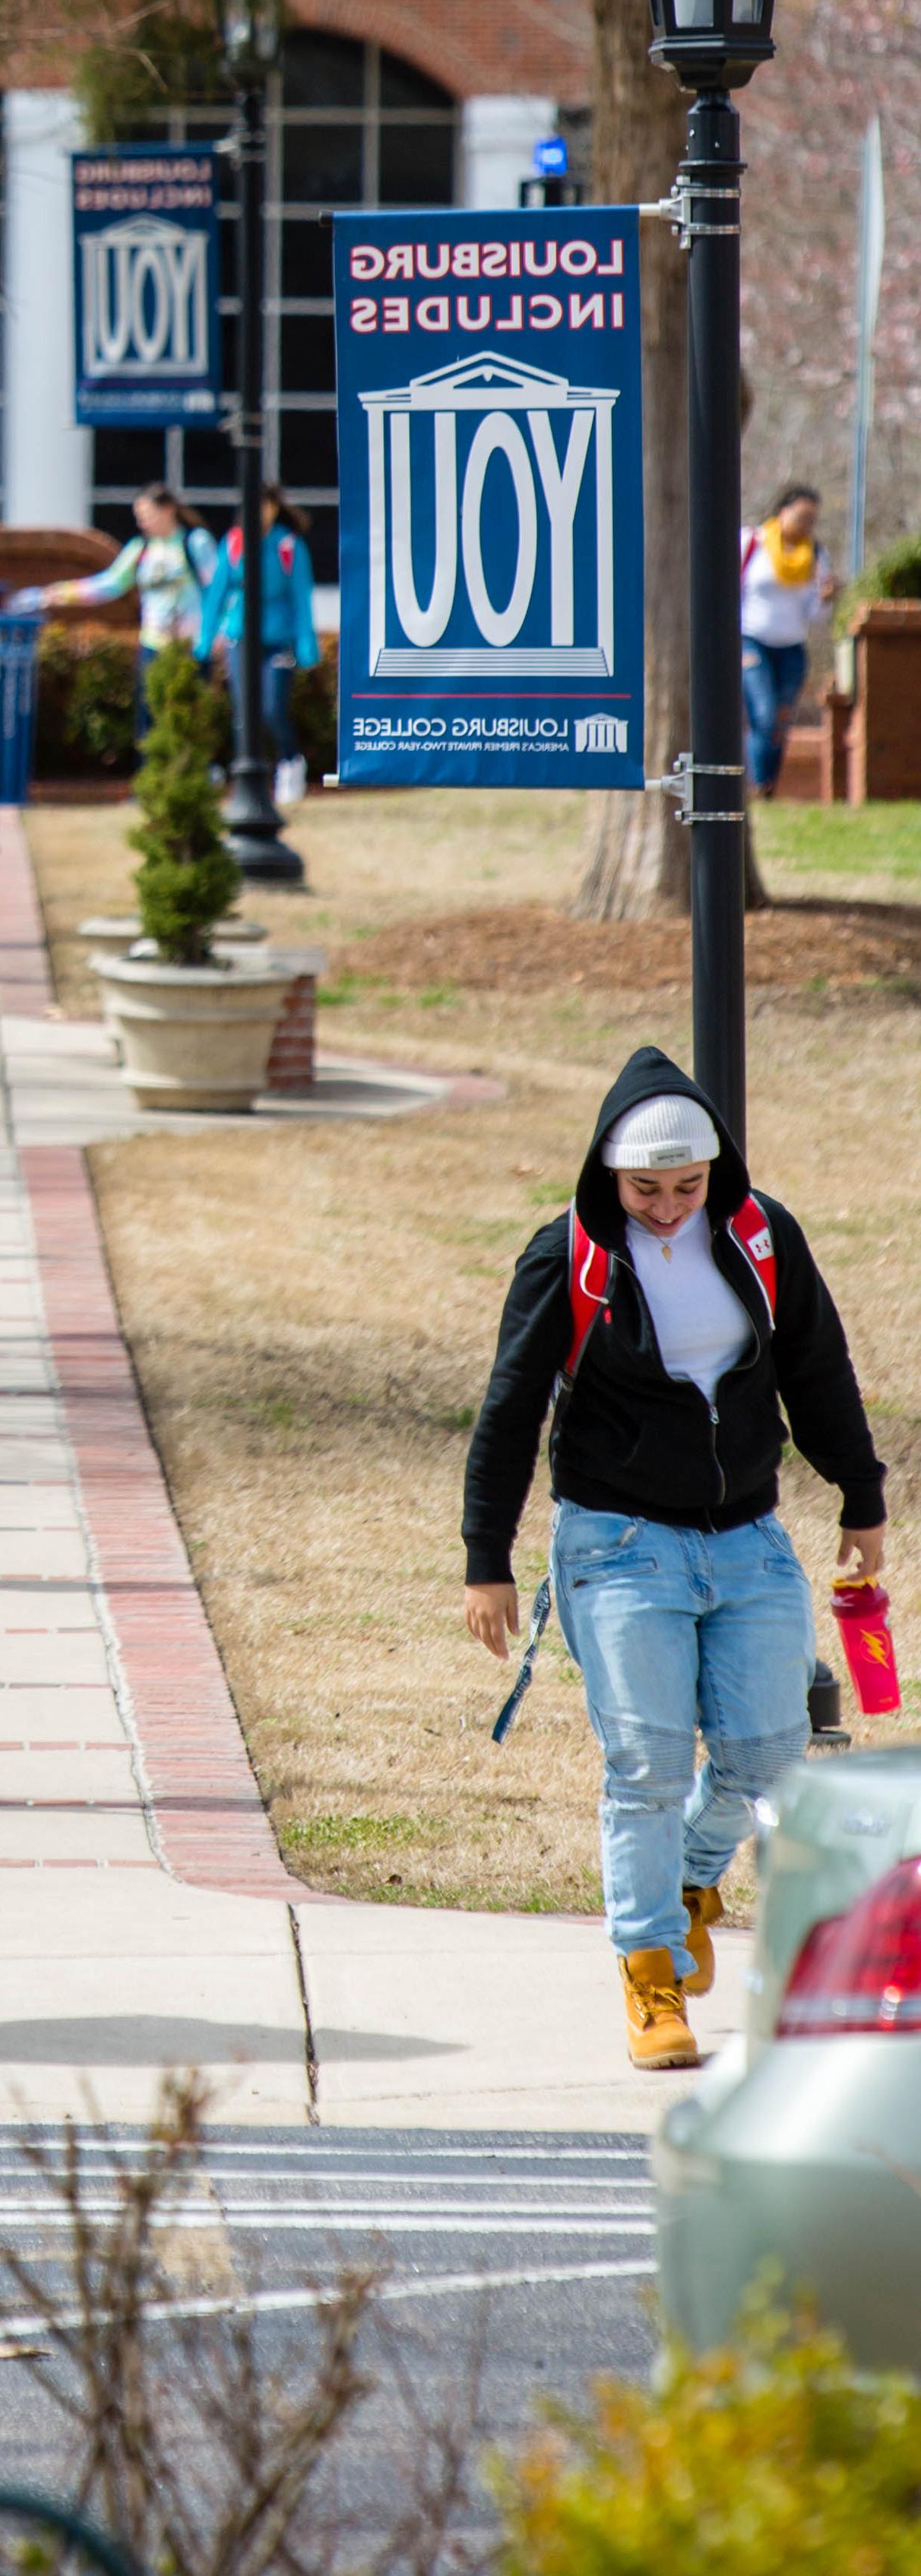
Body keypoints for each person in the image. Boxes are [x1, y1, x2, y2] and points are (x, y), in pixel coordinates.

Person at [462, 1044, 888, 2072]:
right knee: (644, 1766)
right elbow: (510, 1407)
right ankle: (649, 1973)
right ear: (606, 1175)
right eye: (642, 1187)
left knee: (767, 1755)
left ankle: (692, 1881)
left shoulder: (756, 1235)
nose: (663, 1206)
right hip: (616, 1543)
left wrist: (859, 1493)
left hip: (744, 1537)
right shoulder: (564, 1255)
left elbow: (814, 1365)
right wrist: (487, 1557)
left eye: (684, 1186)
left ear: (716, 1174)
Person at [38, 483, 220, 740]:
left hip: (192, 647)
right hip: (154, 644)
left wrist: (219, 632)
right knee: (149, 723)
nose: (142, 522)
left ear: (168, 510)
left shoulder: (195, 542)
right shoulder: (141, 548)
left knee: (191, 720)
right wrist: (61, 593)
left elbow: (219, 589)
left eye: (147, 514)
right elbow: (110, 584)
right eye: (139, 516)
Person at [195, 483, 320, 785]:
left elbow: (301, 599)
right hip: (240, 638)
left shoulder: (288, 546)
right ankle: (246, 773)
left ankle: (290, 763)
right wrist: (205, 638)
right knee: (243, 711)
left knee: (272, 708)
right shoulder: (234, 542)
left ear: (275, 508)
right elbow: (217, 594)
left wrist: (306, 645)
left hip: (278, 640)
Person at [740, 483, 833, 800]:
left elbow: (816, 616)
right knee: (762, 714)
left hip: (792, 647)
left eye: (812, 519)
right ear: (782, 511)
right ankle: (755, 783)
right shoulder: (752, 543)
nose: (806, 524)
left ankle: (768, 788)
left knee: (780, 720)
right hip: (752, 641)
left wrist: (825, 599)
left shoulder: (816, 555)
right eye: (801, 516)